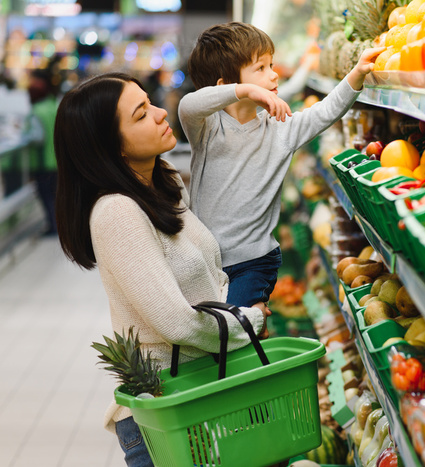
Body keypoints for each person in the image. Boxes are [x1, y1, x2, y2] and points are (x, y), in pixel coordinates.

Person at [54, 72, 271, 467]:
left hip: (204, 394)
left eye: (150, 102)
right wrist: (249, 321)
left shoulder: (164, 180)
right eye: (140, 115)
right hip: (167, 416)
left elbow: (210, 274)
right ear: (110, 147)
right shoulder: (117, 212)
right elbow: (178, 323)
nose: (159, 113)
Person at [179, 21, 383, 308]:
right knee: (217, 336)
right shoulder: (208, 129)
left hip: (254, 262)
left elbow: (325, 112)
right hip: (206, 260)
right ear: (226, 85)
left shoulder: (280, 129)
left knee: (237, 329)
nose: (274, 75)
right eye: (260, 68)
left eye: (271, 64)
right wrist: (244, 91)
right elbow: (188, 105)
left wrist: (357, 74)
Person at [27, 67, 60, 234]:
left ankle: (53, 227)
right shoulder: (53, 105)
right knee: (55, 196)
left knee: (46, 195)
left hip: (43, 162)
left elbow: (37, 137)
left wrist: (24, 134)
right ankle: (57, 226)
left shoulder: (36, 111)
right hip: (56, 159)